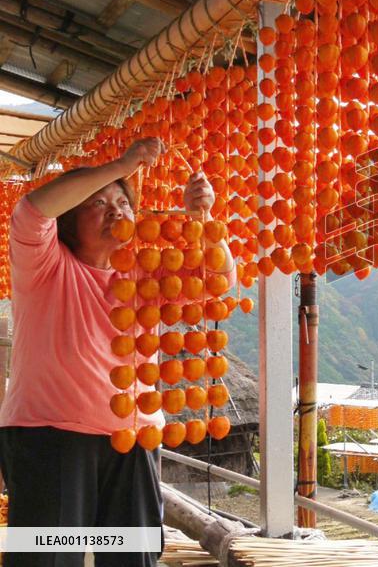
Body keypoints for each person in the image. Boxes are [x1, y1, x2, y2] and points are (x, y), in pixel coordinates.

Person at [0, 137, 235, 567]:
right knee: (48, 558)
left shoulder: (146, 276)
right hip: (50, 439)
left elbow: (220, 278)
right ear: (68, 221)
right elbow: (31, 211)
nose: (116, 211)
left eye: (123, 202)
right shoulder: (46, 267)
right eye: (98, 202)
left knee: (131, 555)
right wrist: (121, 167)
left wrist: (203, 217)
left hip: (134, 440)